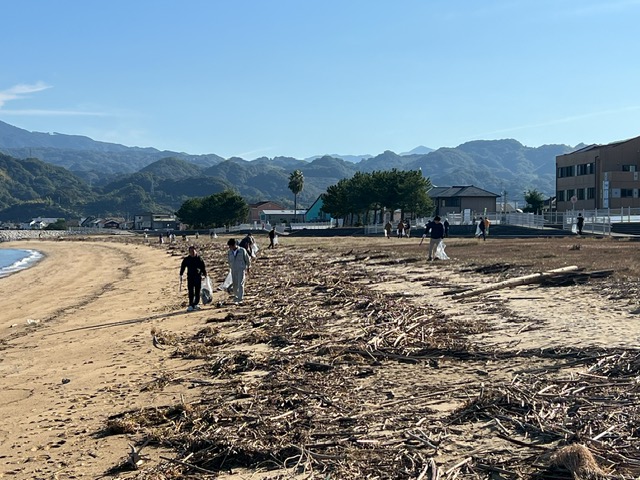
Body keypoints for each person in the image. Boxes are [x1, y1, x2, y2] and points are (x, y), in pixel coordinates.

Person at [179, 245, 207, 312]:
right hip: (190, 277)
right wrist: (181, 274)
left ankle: (196, 304)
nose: (192, 252)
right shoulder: (187, 259)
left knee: (197, 291)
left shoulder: (199, 259)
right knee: (191, 291)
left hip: (198, 277)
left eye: (193, 251)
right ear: (189, 252)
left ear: (195, 251)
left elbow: (203, 267)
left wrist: (205, 274)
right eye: (191, 251)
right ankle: (191, 304)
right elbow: (183, 266)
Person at [227, 238, 251, 304]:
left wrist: (248, 267)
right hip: (233, 270)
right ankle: (236, 296)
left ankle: (240, 298)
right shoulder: (229, 252)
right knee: (235, 284)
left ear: (234, 245)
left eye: (230, 246)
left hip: (241, 269)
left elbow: (247, 259)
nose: (229, 247)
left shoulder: (242, 250)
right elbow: (229, 261)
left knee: (240, 283)